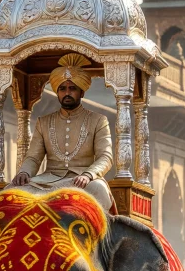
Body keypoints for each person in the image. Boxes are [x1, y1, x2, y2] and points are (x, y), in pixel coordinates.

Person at [10, 53, 114, 207]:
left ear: (82, 92)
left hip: (84, 181)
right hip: (48, 182)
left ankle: (102, 231)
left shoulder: (98, 120)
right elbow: (33, 158)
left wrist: (88, 175)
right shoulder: (43, 122)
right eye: (62, 89)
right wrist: (24, 173)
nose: (67, 93)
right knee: (11, 191)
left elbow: (106, 157)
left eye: (72, 88)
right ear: (57, 92)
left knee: (99, 190)